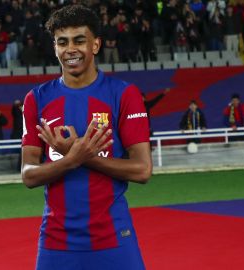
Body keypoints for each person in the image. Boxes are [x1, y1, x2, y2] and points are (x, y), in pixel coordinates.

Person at [22, 5, 151, 270]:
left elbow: (142, 170)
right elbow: (28, 175)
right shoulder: (36, 99)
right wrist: (71, 160)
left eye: (79, 41)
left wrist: (82, 156)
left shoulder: (124, 94)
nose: (71, 49)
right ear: (55, 48)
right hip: (56, 241)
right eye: (62, 42)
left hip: (114, 236)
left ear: (95, 45)